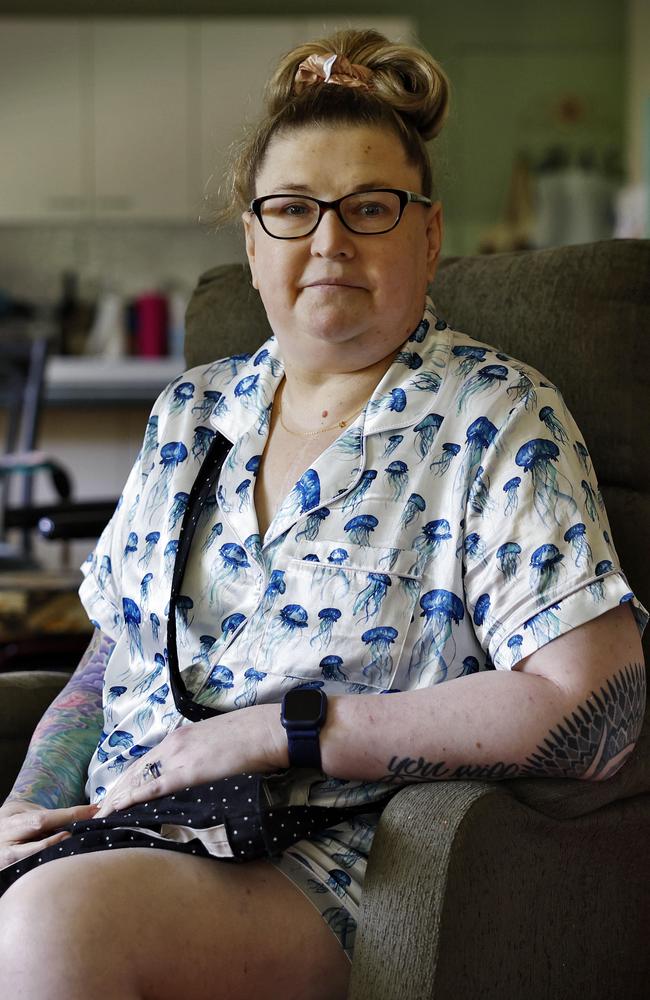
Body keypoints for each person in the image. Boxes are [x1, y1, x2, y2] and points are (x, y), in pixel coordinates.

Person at [0, 27, 646, 1000]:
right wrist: (28, 800)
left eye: (369, 208)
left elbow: (597, 711)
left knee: (51, 929)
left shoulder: (493, 417)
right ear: (252, 240)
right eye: (293, 210)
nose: (329, 241)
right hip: (122, 829)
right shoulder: (190, 413)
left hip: (324, 864)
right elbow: (111, 654)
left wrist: (284, 730)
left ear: (427, 234)